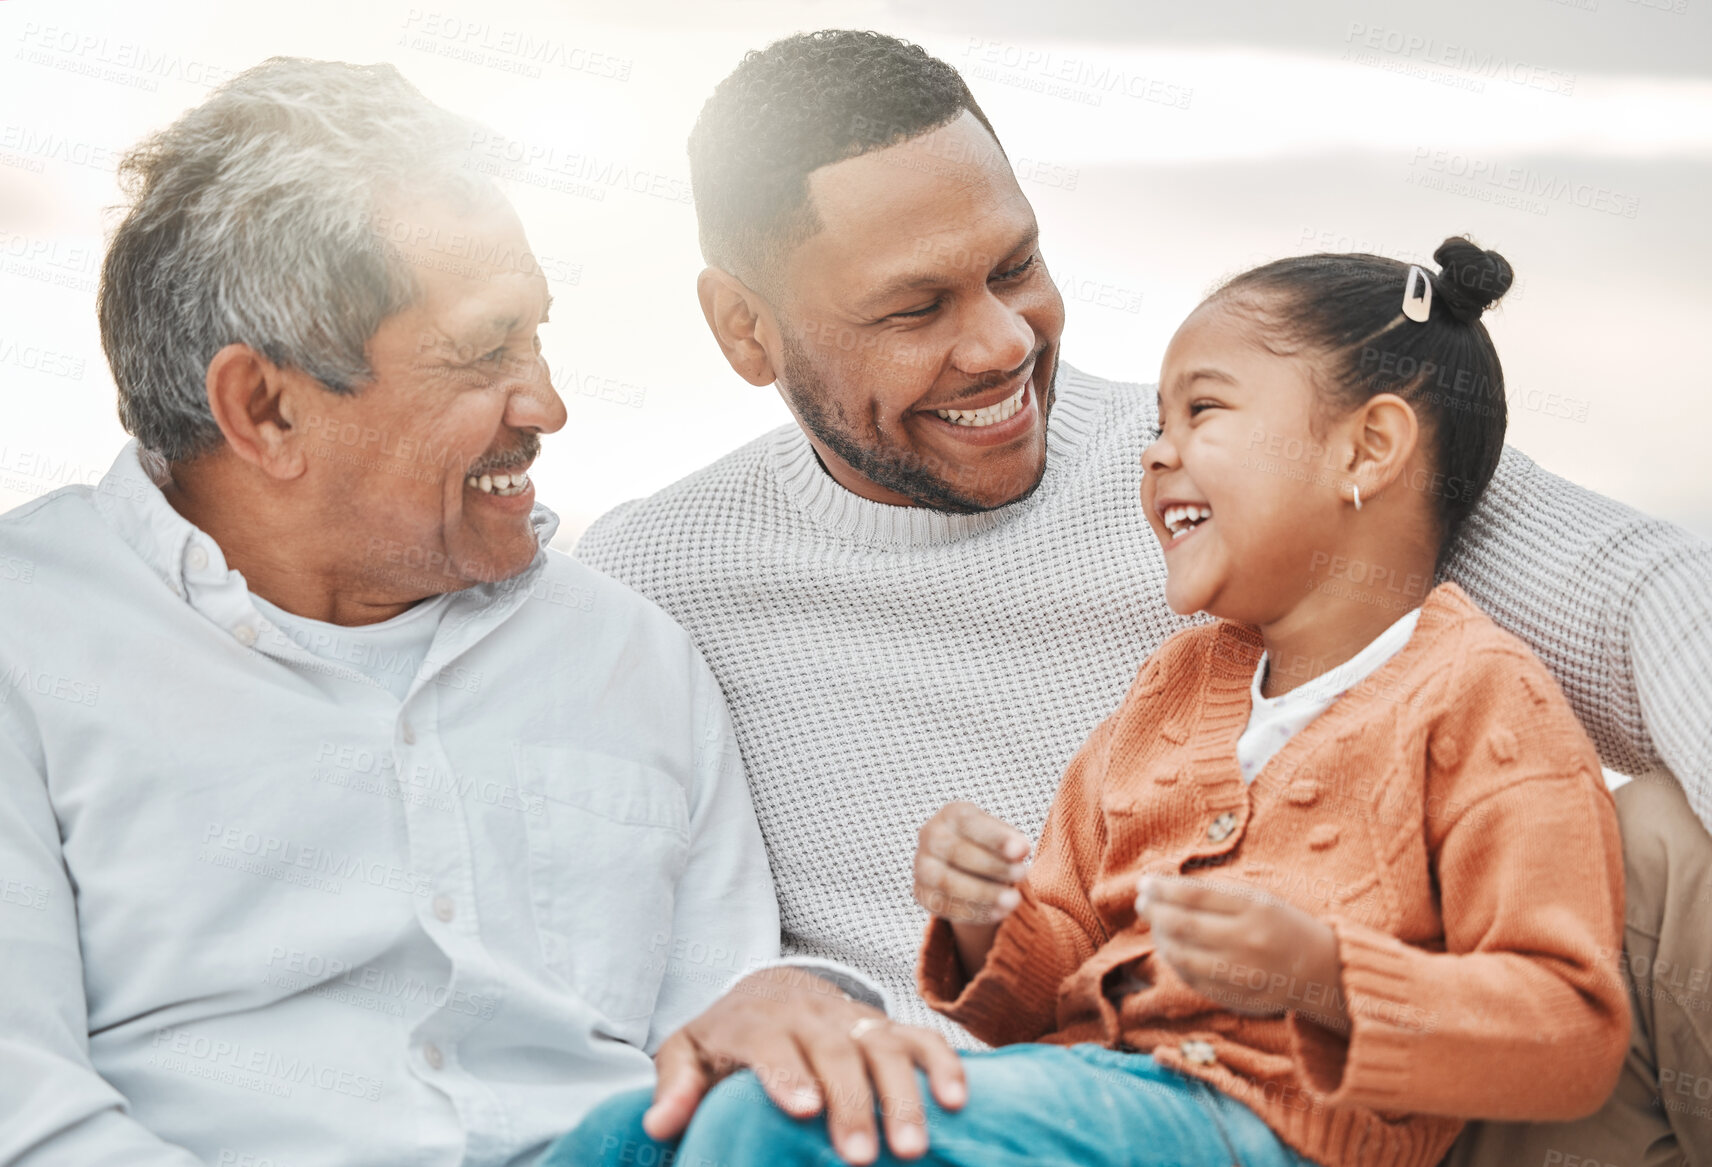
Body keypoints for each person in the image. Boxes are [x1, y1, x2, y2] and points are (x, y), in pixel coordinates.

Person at [573, 29, 1712, 1167]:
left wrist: (1322, 975)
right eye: (914, 309)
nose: (1003, 343)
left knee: (1673, 836)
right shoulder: (657, 582)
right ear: (744, 329)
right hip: (986, 1093)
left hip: (1303, 1104)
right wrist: (954, 933)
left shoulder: (1257, 472)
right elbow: (627, 937)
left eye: (1014, 266)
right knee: (627, 1135)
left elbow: (1649, 593)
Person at [0, 57, 961, 1167]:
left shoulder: (627, 654)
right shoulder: (30, 637)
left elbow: (721, 1032)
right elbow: (27, 1117)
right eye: (481, 353)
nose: (544, 403)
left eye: (536, 336)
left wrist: (778, 1009)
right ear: (263, 409)